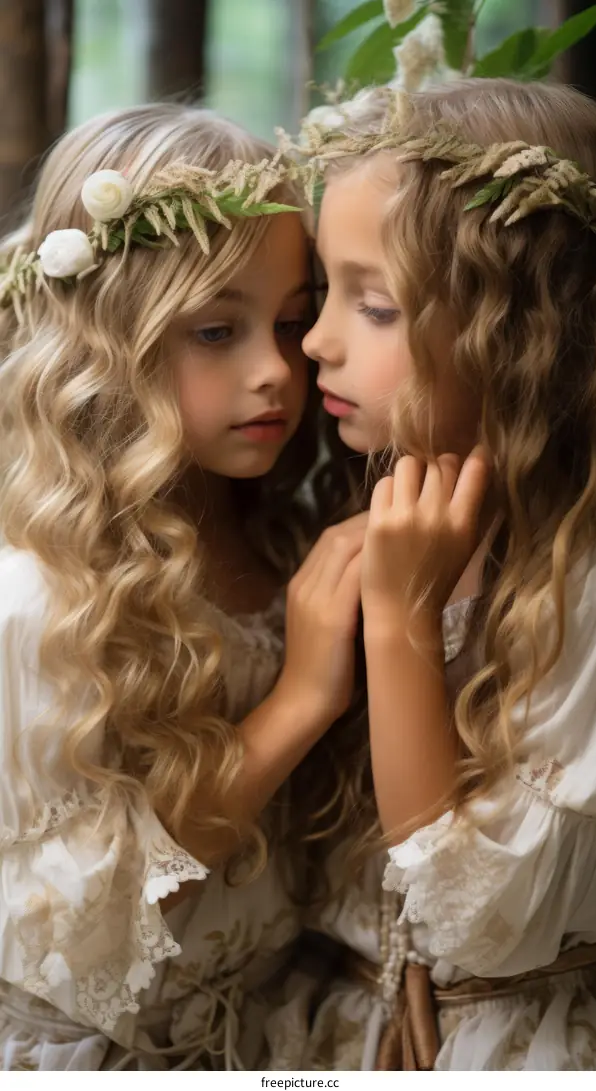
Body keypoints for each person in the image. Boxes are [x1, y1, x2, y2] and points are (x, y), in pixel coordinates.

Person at [0, 102, 365, 1070]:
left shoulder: (282, 533)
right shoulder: (39, 599)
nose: (275, 370)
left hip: (273, 1036)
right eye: (215, 330)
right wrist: (303, 696)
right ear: (107, 339)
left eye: (292, 322)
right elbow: (94, 924)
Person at [291, 78, 596, 1070]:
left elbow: (478, 927)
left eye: (375, 305)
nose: (316, 340)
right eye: (322, 293)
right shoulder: (349, 509)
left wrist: (399, 622)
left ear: (517, 329)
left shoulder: (580, 580)